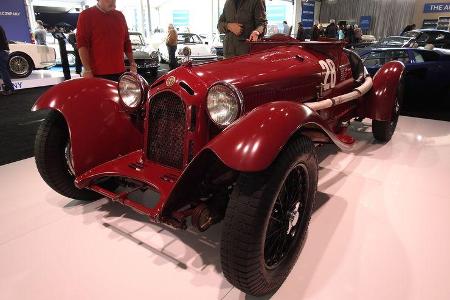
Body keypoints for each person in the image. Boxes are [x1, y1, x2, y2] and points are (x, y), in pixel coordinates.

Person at [76, 0, 137, 81]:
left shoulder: (120, 15)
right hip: (97, 74)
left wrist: (132, 63)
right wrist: (87, 70)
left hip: (120, 71)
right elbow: (82, 44)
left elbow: (126, 41)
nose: (112, 2)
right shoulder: (86, 15)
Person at [0, 25, 15, 96]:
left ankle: (10, 89)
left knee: (3, 71)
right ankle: (9, 88)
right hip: (3, 51)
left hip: (1, 51)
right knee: (3, 71)